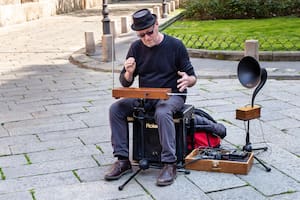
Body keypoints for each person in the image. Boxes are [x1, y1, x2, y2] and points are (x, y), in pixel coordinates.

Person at [104, 8, 197, 186]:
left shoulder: (175, 45)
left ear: (156, 25)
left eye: (149, 32)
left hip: (171, 95)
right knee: (116, 108)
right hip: (146, 95)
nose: (146, 38)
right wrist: (129, 73)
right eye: (141, 35)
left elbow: (192, 77)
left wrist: (187, 80)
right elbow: (125, 83)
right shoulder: (136, 47)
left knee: (162, 112)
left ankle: (169, 163)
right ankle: (123, 160)